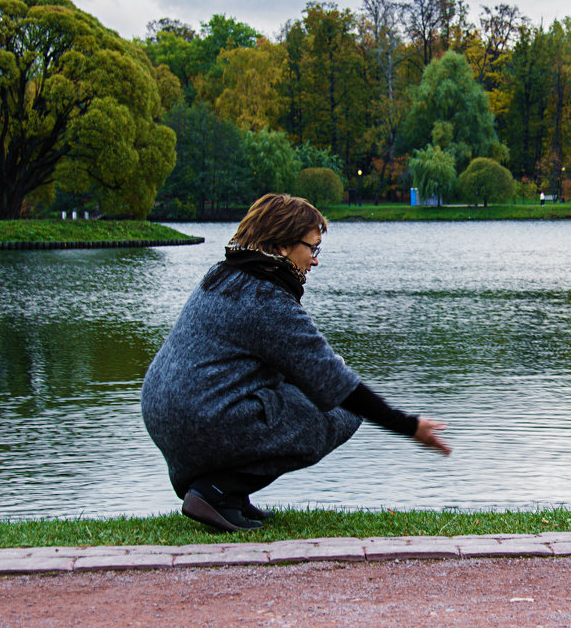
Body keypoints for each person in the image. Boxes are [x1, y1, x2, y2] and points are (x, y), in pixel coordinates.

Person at [141, 194, 451, 532]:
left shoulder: (222, 276)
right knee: (343, 413)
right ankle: (217, 490)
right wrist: (409, 426)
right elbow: (338, 385)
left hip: (164, 411)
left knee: (297, 386)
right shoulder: (266, 298)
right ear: (283, 245)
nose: (315, 261)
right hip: (203, 416)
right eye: (312, 248)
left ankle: (229, 496)